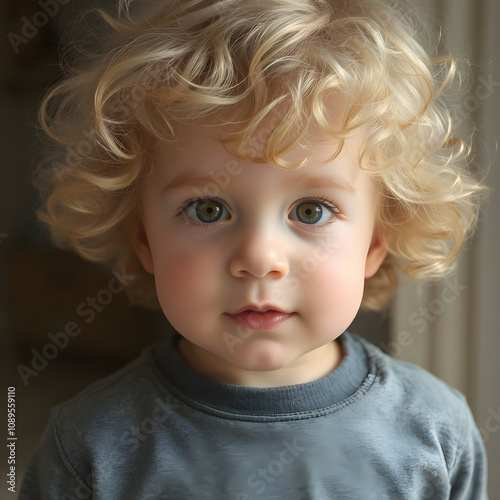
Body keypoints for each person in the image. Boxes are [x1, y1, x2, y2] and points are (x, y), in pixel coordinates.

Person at [20, 0, 488, 498]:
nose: (261, 258)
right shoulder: (90, 446)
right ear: (144, 241)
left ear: (374, 244)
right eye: (208, 210)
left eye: (311, 211)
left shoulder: (437, 431)